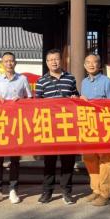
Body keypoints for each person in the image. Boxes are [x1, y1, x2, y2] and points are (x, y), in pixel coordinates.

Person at [0, 51, 33, 205]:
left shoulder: (23, 79)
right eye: (6, 61)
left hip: (16, 122)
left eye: (11, 61)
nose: (9, 63)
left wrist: (21, 100)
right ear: (2, 63)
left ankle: (13, 189)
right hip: (0, 122)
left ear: (15, 63)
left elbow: (30, 98)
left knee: (15, 159)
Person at [35, 48, 79, 205]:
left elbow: (76, 95)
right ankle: (47, 191)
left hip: (68, 125)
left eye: (56, 59)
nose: (54, 62)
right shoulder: (41, 81)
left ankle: (66, 192)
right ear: (47, 63)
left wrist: (75, 97)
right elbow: (36, 104)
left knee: (68, 160)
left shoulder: (70, 78)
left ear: (62, 60)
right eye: (50, 59)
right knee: (49, 161)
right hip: (50, 126)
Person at [80, 53, 110, 206]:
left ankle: (106, 193)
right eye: (88, 62)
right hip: (89, 124)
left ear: (99, 65)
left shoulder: (107, 82)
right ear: (84, 65)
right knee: (89, 158)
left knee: (106, 159)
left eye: (94, 62)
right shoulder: (84, 82)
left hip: (103, 124)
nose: (91, 65)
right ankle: (96, 189)